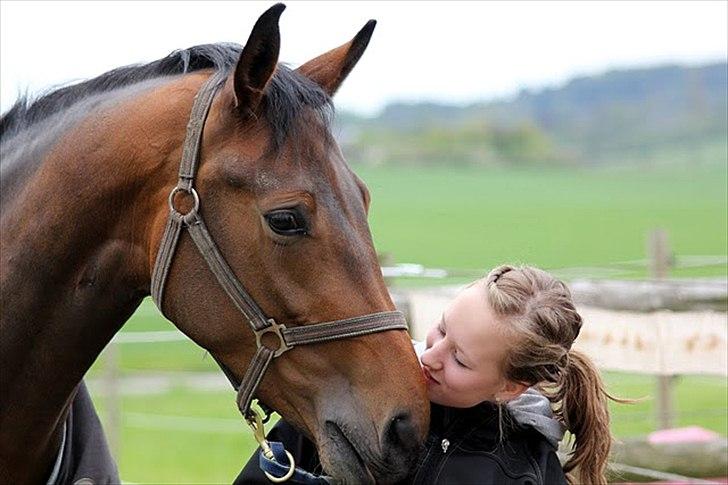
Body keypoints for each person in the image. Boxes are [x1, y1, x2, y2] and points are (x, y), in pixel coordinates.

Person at [235, 265, 617, 484]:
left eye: (461, 361)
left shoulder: (521, 473)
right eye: (442, 329)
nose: (431, 355)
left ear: (510, 387)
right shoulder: (355, 399)